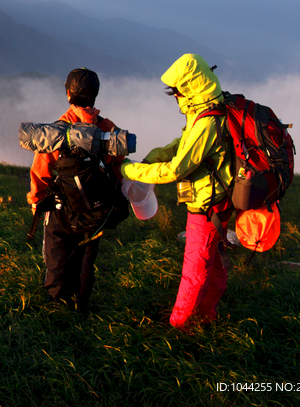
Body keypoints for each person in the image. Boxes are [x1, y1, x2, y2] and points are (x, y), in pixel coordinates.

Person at [118, 53, 235, 329]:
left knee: (194, 268)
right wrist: (150, 159)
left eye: (177, 94)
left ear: (191, 88)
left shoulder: (207, 122)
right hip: (217, 202)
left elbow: (175, 169)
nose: (176, 100)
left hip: (207, 205)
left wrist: (128, 170)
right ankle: (207, 315)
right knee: (211, 262)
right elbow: (182, 144)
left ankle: (179, 326)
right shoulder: (208, 110)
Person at [28, 67, 122, 313]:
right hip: (94, 210)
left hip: (61, 208)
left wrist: (35, 200)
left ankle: (57, 303)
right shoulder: (107, 129)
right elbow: (117, 166)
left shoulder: (59, 130)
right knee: (86, 258)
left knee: (57, 253)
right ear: (95, 95)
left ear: (68, 94)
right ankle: (81, 303)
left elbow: (42, 169)